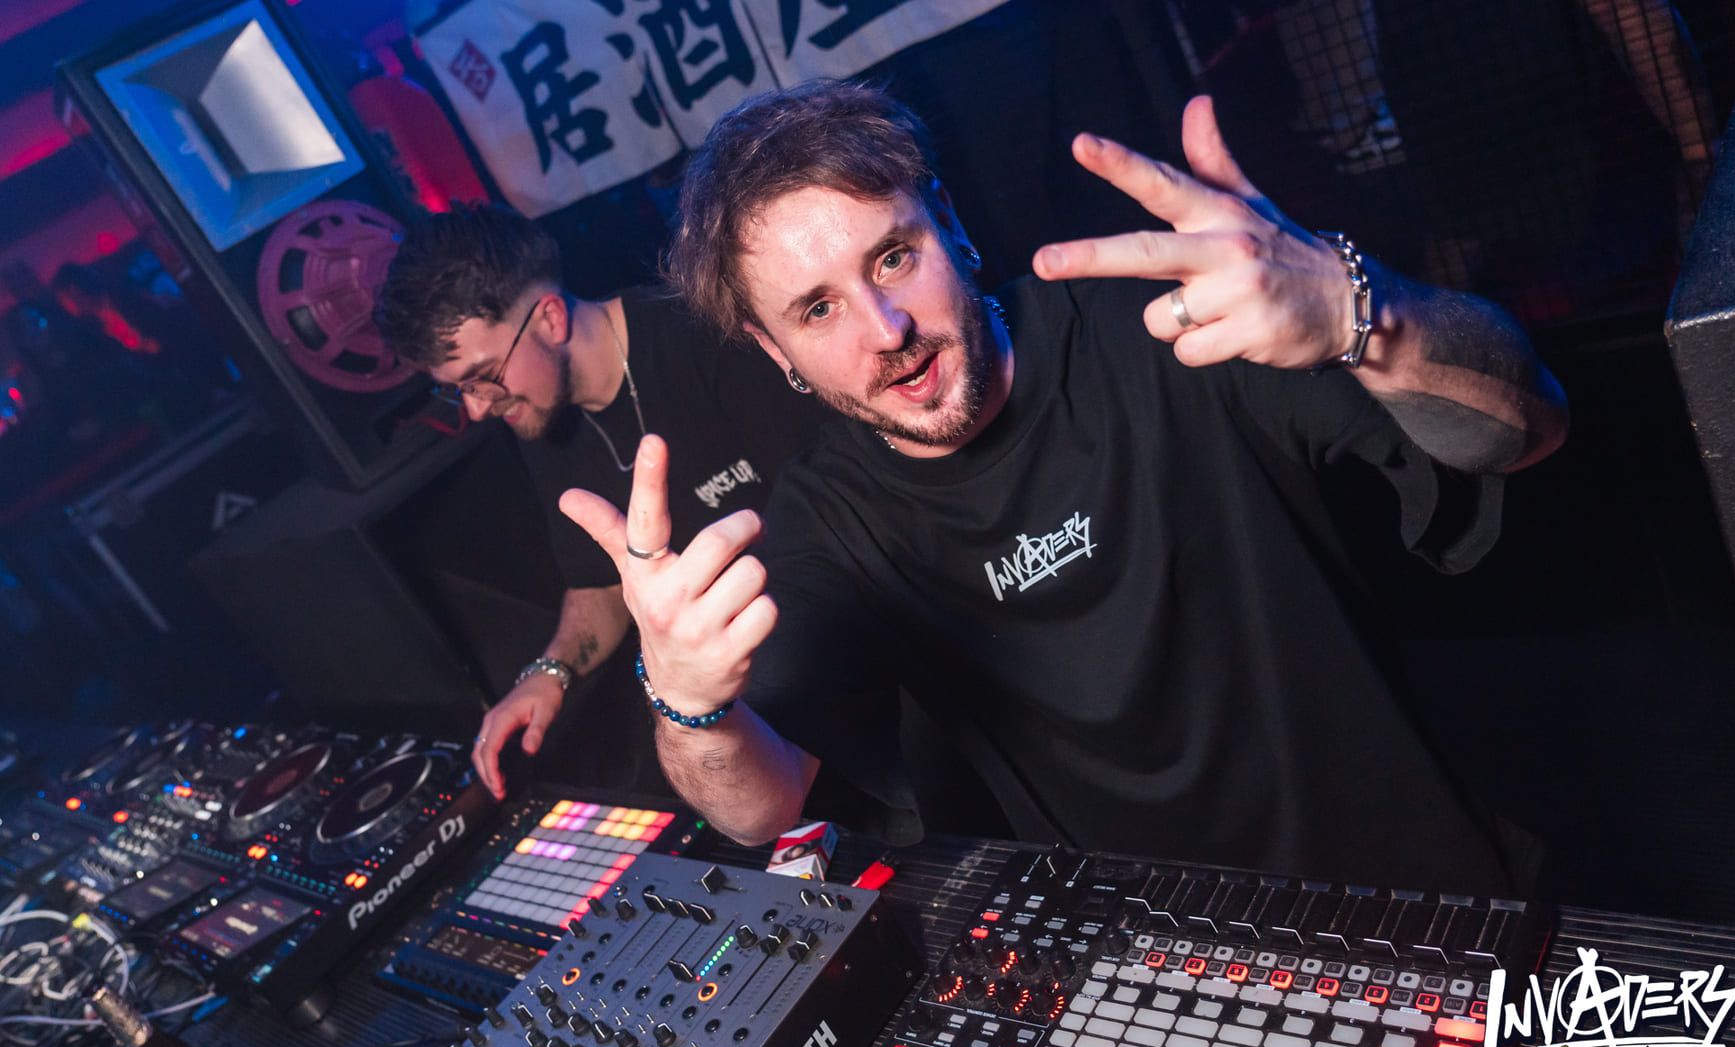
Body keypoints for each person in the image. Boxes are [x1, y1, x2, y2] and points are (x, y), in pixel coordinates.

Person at [558, 82, 1568, 894]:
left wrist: (1360, 315)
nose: (886, 329)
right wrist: (686, 704)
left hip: (1428, 901)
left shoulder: (1168, 327)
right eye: (818, 310)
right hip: (1161, 974)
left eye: (894, 258)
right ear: (775, 351)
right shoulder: (830, 517)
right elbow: (762, 809)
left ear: (952, 225)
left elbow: (1530, 431)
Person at [374, 205, 826, 798]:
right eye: (459, 389)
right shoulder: (540, 415)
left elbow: (845, 515)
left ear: (550, 318)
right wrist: (549, 672)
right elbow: (600, 583)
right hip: (745, 706)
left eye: (482, 376)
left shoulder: (703, 332)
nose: (478, 407)